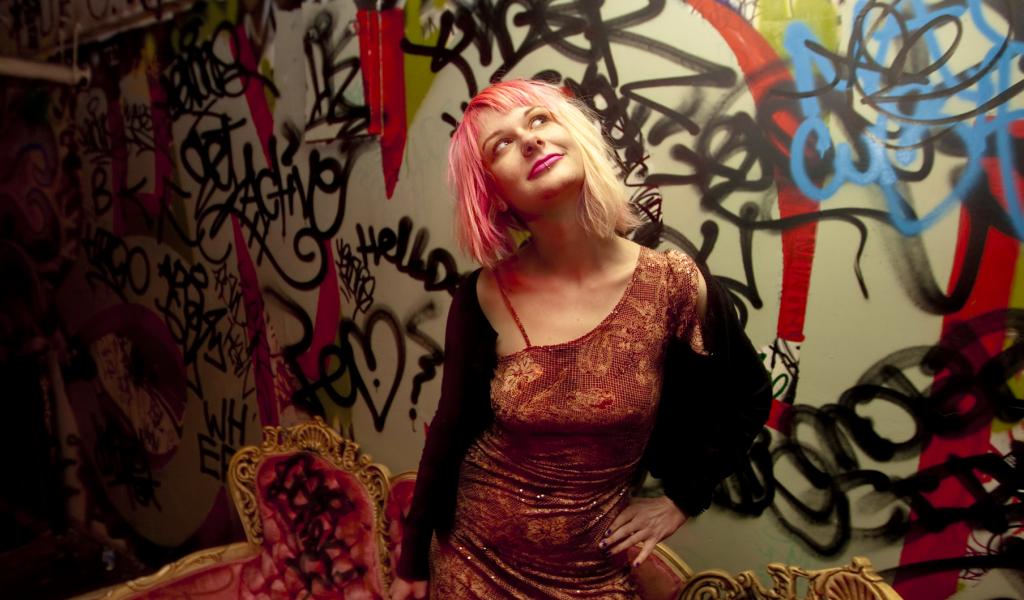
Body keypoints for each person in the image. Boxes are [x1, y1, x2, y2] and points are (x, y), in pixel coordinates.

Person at [391, 79, 771, 599]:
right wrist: (412, 563)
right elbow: (450, 432)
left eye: (539, 120)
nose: (530, 140)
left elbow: (749, 397)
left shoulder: (673, 285)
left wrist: (683, 499)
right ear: (493, 194)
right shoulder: (483, 294)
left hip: (592, 573)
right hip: (472, 559)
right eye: (501, 145)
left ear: (575, 136)